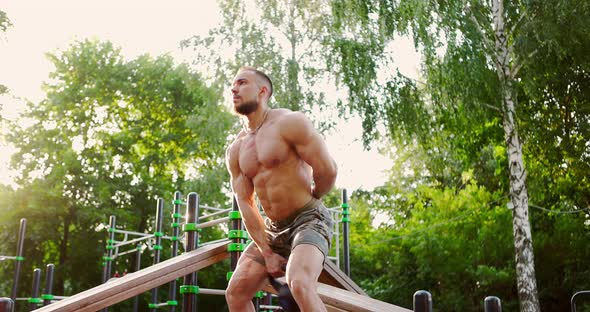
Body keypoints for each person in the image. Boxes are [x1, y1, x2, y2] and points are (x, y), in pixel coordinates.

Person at [225, 66, 337, 312]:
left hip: (308, 219)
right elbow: (246, 203)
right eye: (232, 85)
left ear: (262, 91)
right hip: (273, 231)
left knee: (299, 283)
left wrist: (314, 198)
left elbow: (327, 169)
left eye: (242, 83)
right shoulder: (236, 149)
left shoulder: (289, 123)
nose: (234, 88)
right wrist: (266, 252)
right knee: (235, 293)